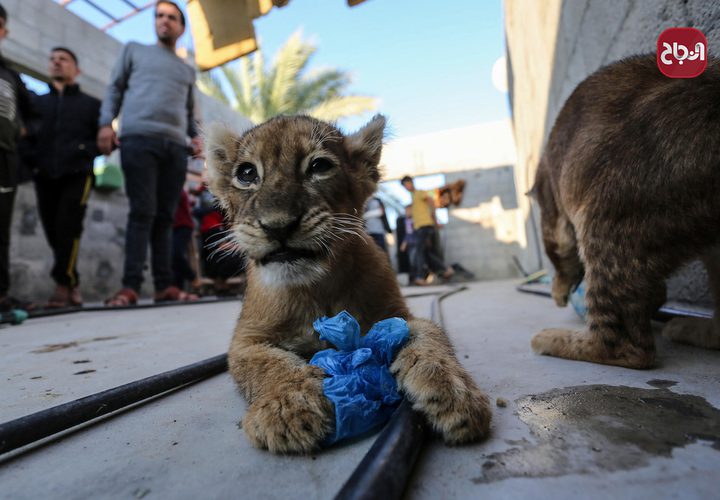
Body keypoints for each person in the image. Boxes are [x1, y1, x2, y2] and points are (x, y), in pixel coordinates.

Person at [98, 1, 201, 306]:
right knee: (142, 211)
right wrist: (106, 123)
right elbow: (115, 88)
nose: (164, 21)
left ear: (181, 27)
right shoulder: (134, 50)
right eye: (159, 16)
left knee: (166, 217)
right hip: (138, 139)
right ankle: (130, 286)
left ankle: (164, 285)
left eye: (171, 17)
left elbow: (190, 110)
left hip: (174, 146)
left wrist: (197, 138)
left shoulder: (186, 70)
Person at [28, 47, 100, 308]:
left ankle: (62, 286)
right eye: (53, 59)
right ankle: (72, 280)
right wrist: (32, 160)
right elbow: (27, 135)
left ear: (76, 69)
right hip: (44, 174)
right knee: (52, 230)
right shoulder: (38, 104)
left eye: (64, 59)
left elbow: (104, 139)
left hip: (77, 173)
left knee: (69, 227)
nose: (57, 63)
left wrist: (84, 152)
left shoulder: (91, 105)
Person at [0, 4, 34, 312]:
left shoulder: (10, 75)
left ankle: (1, 293)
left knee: (2, 226)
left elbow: (34, 111)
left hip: (5, 158)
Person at [401, 175, 454, 286]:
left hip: (425, 226)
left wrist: (435, 219)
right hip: (420, 227)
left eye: (408, 183)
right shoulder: (414, 197)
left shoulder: (420, 192)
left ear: (412, 182)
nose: (407, 187)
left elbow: (431, 201)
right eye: (405, 186)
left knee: (420, 251)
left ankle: (420, 277)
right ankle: (446, 270)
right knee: (426, 252)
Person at [171, 188, 197, 291]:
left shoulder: (177, 189)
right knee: (173, 259)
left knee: (177, 254)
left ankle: (193, 278)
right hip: (173, 227)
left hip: (184, 226)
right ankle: (178, 288)